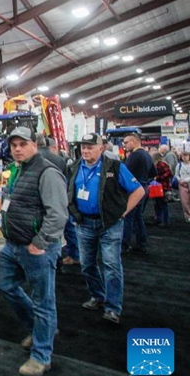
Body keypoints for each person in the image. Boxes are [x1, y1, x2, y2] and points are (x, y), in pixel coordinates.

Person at [0, 127, 68, 376]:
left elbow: (58, 214)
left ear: (34, 145)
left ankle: (41, 356)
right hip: (12, 246)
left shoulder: (47, 172)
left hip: (37, 249)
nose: (17, 148)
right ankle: (39, 329)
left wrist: (40, 242)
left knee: (43, 302)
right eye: (14, 144)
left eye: (22, 144)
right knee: (4, 285)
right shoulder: (16, 170)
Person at [68, 133, 145, 325]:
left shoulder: (115, 167)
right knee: (87, 264)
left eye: (90, 147)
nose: (85, 150)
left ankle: (112, 308)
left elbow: (139, 190)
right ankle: (97, 296)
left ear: (101, 148)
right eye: (83, 147)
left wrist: (123, 213)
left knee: (111, 266)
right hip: (84, 223)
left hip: (109, 225)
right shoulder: (75, 168)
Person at [36, 134, 77, 266]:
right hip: (62, 198)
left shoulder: (35, 159)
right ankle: (68, 256)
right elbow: (67, 179)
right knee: (62, 229)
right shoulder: (59, 159)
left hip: (40, 202)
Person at [122, 133, 155, 253]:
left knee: (128, 217)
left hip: (134, 190)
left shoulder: (134, 156)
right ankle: (142, 243)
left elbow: (125, 174)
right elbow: (153, 173)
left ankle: (125, 244)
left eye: (126, 142)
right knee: (138, 217)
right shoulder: (147, 155)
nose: (124, 145)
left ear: (134, 142)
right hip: (145, 187)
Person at [153, 153, 173, 226]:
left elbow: (169, 173)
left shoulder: (160, 164)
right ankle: (160, 219)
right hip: (161, 186)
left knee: (162, 204)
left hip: (162, 187)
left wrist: (158, 177)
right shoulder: (161, 164)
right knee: (159, 204)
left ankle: (165, 221)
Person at [176, 152, 190, 222]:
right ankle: (187, 216)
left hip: (187, 182)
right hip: (182, 185)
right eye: (183, 156)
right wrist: (180, 180)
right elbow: (176, 174)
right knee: (184, 201)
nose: (184, 157)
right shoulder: (179, 165)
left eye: (186, 156)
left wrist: (185, 180)